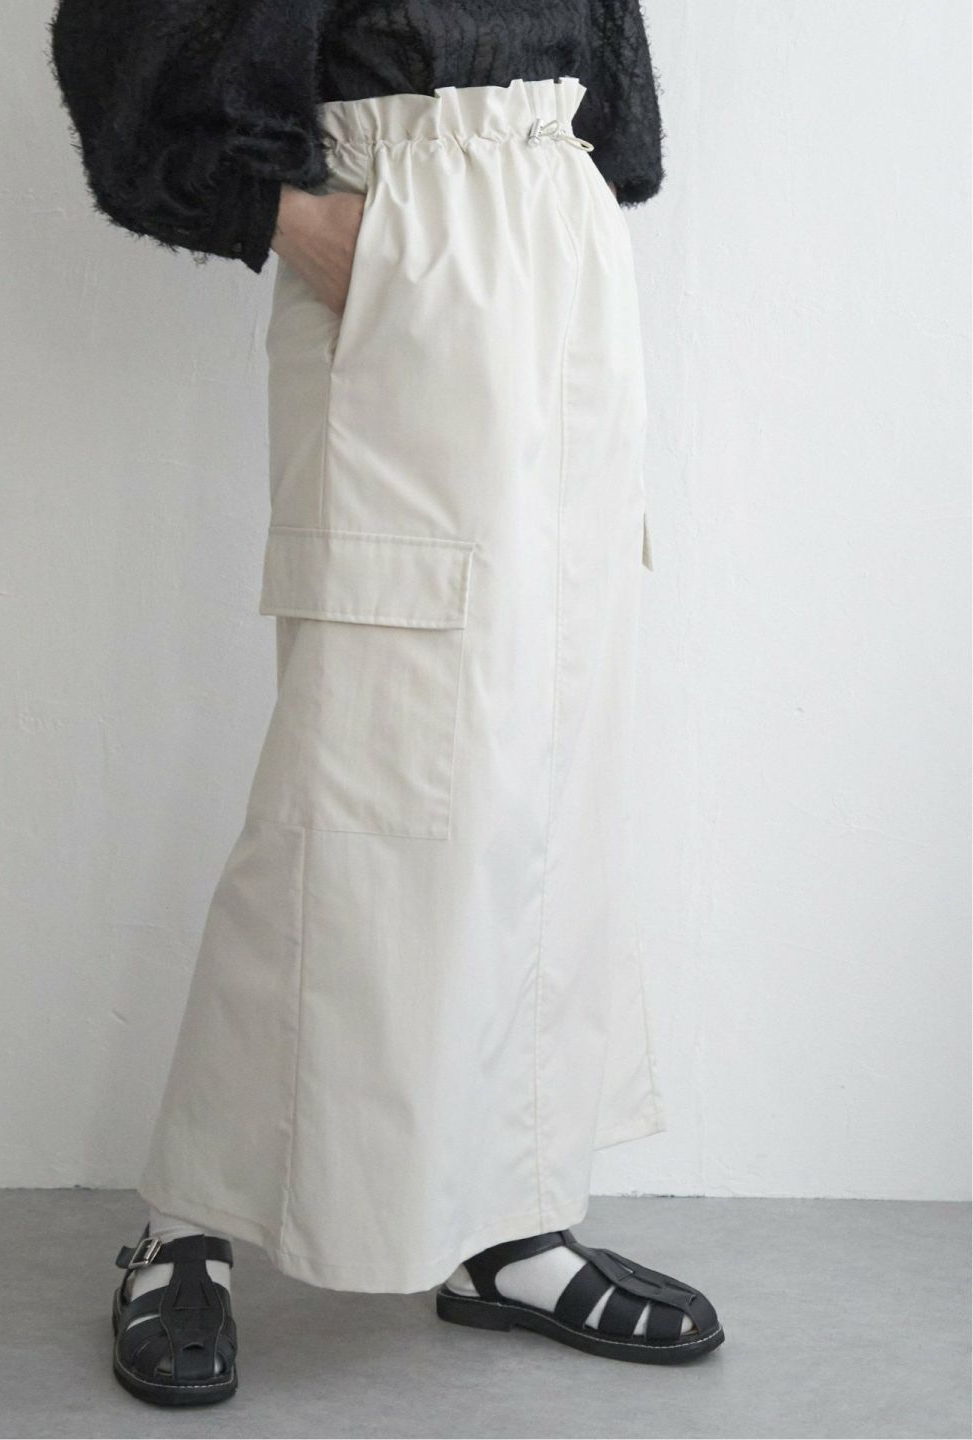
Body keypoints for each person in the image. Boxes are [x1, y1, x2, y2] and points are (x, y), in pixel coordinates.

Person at [50, 0, 723, 1406]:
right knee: (356, 786)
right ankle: (182, 1227)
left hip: (552, 236)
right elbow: (121, 30)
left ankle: (508, 1225)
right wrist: (288, 215)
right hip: (402, 229)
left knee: (544, 761)